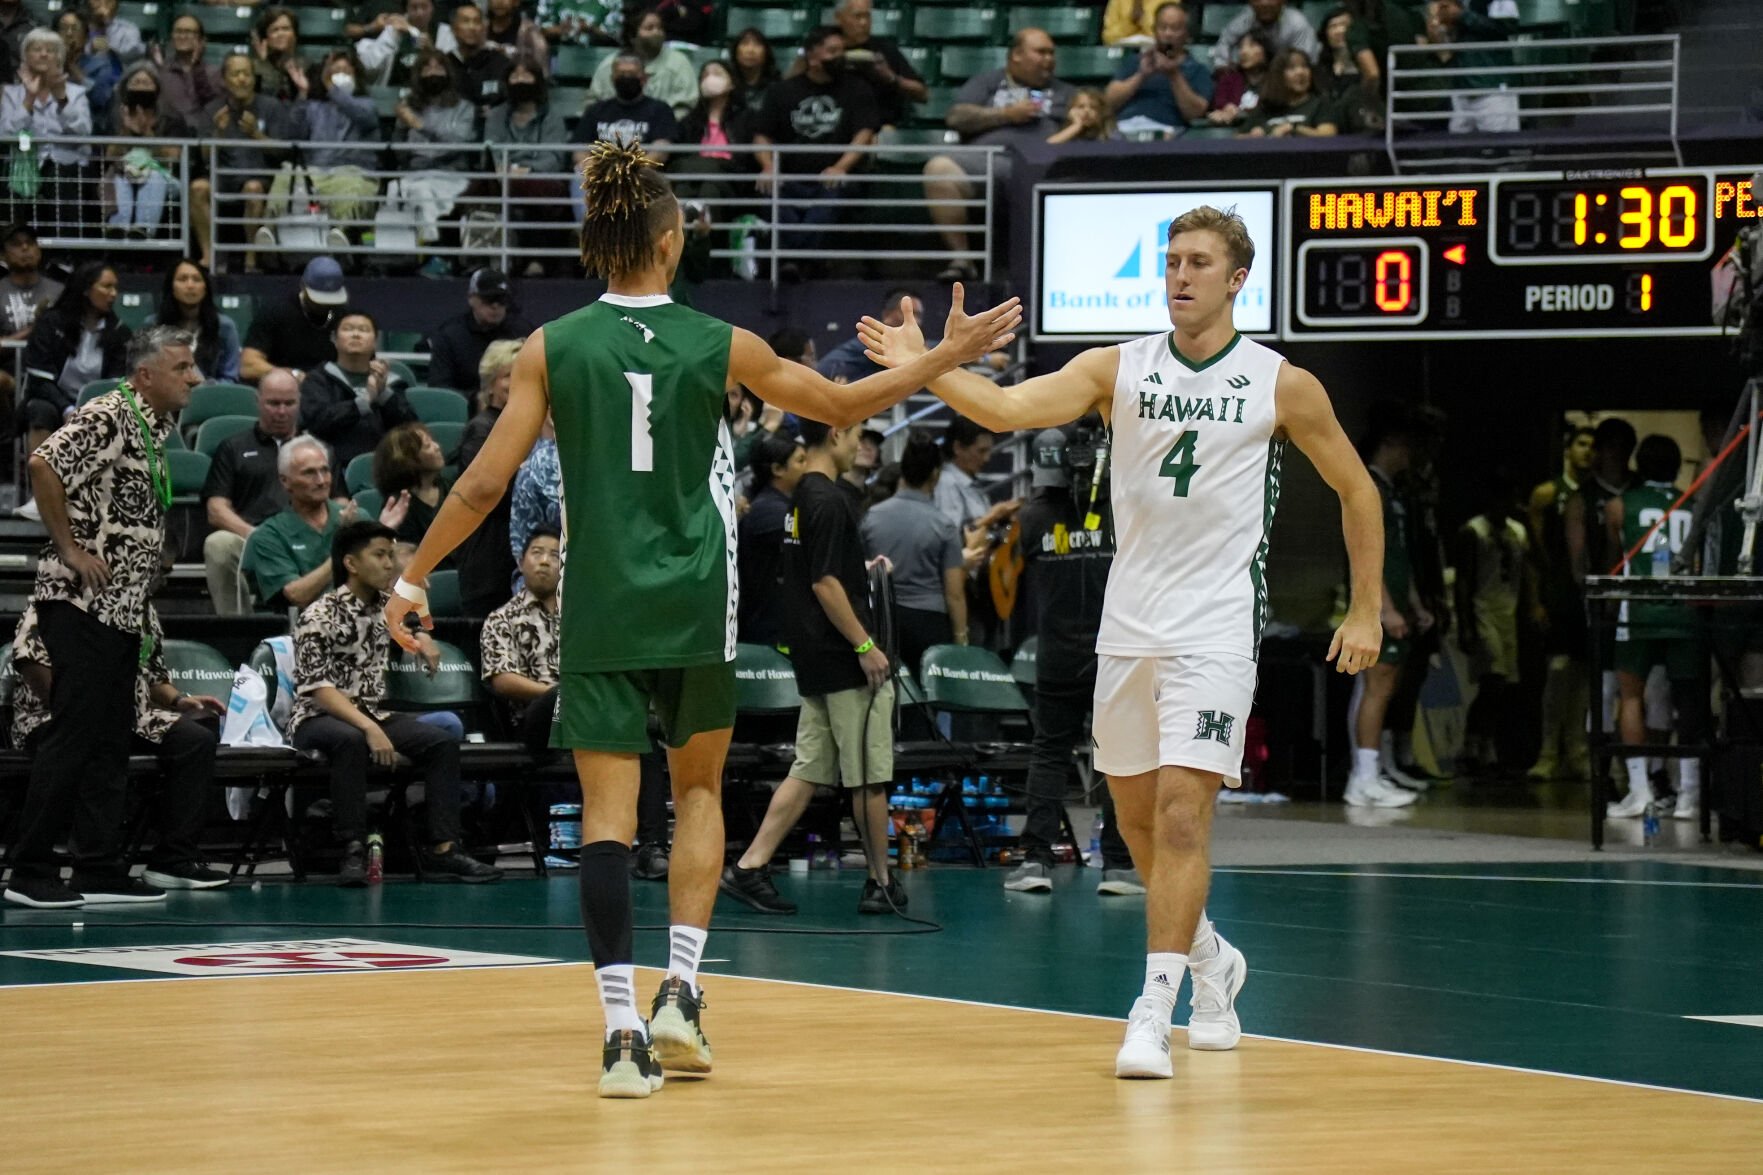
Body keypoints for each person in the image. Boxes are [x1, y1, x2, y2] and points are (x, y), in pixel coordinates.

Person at [382, 140, 1019, 1098]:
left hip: (601, 602)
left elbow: (482, 480)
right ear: (672, 242)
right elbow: (842, 402)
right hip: (695, 600)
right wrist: (940, 360)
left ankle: (618, 1031)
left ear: (601, 244)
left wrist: (412, 579)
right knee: (701, 795)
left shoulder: (553, 346)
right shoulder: (725, 343)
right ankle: (682, 990)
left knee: (604, 814)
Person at [856, 204, 1384, 1077]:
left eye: (1198, 263)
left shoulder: (1281, 383)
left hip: (1215, 627)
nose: (1179, 275)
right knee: (1136, 830)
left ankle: (1152, 1006)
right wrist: (935, 363)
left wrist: (1364, 609)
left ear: (1237, 278)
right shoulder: (1118, 366)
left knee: (1182, 815)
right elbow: (1006, 405)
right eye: (1171, 261)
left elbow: (1357, 492)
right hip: (1127, 625)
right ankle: (1213, 960)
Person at [1, 326, 202, 909]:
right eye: (183, 367)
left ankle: (98, 866)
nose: (195, 378)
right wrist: (68, 548)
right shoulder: (110, 413)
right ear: (145, 375)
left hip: (122, 610)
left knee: (111, 742)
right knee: (73, 737)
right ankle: (30, 870)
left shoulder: (153, 428)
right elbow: (43, 463)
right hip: (81, 604)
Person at [722, 416, 905, 919]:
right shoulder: (828, 499)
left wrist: (858, 570)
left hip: (813, 657)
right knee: (868, 776)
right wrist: (865, 643)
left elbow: (818, 569)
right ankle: (880, 883)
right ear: (838, 434)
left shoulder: (801, 498)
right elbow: (825, 583)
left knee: (808, 770)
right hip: (845, 660)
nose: (863, 444)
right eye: (860, 432)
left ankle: (749, 866)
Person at [290, 519, 503, 885]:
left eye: (391, 555)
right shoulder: (318, 615)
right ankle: (352, 849)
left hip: (374, 711)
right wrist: (369, 727)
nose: (390, 564)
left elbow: (408, 619)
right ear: (351, 564)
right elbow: (317, 689)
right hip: (318, 717)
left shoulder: (387, 606)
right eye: (380, 555)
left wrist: (423, 637)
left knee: (441, 743)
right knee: (350, 739)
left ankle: (445, 849)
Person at [9, 599, 231, 891]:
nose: (156, 577)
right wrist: (73, 706)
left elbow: (151, 675)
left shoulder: (142, 608)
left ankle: (173, 860)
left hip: (131, 715)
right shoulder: (57, 600)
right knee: (93, 741)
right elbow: (29, 661)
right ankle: (84, 864)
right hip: (51, 715)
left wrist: (179, 700)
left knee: (195, 740)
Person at [1002, 424, 1139, 894]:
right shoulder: (1123, 514)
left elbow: (1004, 588)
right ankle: (1118, 865)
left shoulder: (1032, 518)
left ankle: (1035, 861)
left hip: (1056, 656)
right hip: (1114, 658)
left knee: (1049, 753)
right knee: (1117, 759)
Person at [1605, 435, 1706, 821]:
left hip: (1640, 610)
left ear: (1638, 464)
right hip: (1683, 611)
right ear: (1677, 465)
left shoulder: (1619, 505)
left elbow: (1614, 558)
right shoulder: (1693, 503)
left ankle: (1640, 790)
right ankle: (1688, 795)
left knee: (1631, 698)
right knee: (1688, 702)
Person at [923, 28, 1073, 280]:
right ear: (1016, 55)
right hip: (988, 163)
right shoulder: (988, 84)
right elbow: (957, 117)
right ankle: (962, 260)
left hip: (1043, 167)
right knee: (938, 169)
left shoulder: (1064, 92)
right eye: (1040, 52)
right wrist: (1006, 114)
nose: (1048, 59)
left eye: (1051, 53)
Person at [1343, 406, 1428, 807]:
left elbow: (1398, 556)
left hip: (1394, 599)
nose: (1413, 455)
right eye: (1408, 446)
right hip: (1376, 606)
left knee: (1386, 685)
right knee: (1374, 686)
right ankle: (1362, 778)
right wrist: (1384, 608)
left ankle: (1374, 771)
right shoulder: (1366, 488)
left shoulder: (1392, 492)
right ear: (1390, 444)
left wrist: (1413, 602)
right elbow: (1363, 552)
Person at [752, 25, 879, 270]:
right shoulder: (782, 91)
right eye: (832, 51)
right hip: (787, 178)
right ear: (812, 56)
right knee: (771, 202)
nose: (840, 57)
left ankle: (793, 261)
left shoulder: (857, 89)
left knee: (827, 207)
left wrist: (841, 167)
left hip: (833, 179)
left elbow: (864, 133)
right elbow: (761, 135)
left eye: (842, 51)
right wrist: (768, 166)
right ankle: (802, 262)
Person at [243, 433, 409, 609]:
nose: (321, 481)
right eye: (309, 473)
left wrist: (383, 533)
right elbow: (297, 596)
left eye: (325, 470)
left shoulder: (358, 518)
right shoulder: (268, 535)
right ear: (285, 481)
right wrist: (346, 544)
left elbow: (384, 582)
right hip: (306, 629)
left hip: (365, 620)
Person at [860, 428, 965, 674]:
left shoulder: (871, 517)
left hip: (881, 621)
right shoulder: (944, 526)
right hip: (928, 625)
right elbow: (955, 594)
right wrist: (961, 639)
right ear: (935, 475)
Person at [1526, 425, 1595, 781]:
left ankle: (1578, 751)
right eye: (1581, 444)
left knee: (1584, 677)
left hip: (1586, 598)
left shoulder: (1596, 494)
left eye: (1593, 446)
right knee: (1557, 675)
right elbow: (1535, 554)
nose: (1588, 451)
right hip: (1558, 595)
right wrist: (1537, 600)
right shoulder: (1547, 493)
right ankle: (1548, 752)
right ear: (1568, 449)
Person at [203, 367, 299, 613]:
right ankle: (239, 630)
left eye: (289, 403)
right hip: (249, 536)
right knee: (219, 544)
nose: (281, 411)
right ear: (257, 401)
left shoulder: (317, 448)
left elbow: (339, 501)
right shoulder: (233, 447)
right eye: (273, 403)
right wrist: (258, 537)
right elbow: (216, 508)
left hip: (306, 537)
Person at [1453, 469, 1528, 775]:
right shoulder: (1473, 531)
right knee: (1491, 681)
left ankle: (1487, 743)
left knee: (1504, 685)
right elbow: (1463, 581)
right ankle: (1475, 743)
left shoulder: (1517, 532)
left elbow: (1528, 571)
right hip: (1483, 611)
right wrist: (1466, 624)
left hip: (1508, 612)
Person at [270, 48, 380, 251]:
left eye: (346, 71)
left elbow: (365, 119)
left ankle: (341, 235)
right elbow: (293, 135)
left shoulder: (367, 104)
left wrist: (330, 86)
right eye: (334, 71)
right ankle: (269, 231)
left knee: (352, 189)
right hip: (315, 171)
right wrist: (303, 93)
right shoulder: (314, 106)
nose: (340, 75)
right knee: (286, 175)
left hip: (352, 170)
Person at [199, 52, 295, 272]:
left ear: (254, 78)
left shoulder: (271, 107)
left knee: (253, 189)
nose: (242, 79)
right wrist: (218, 135)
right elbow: (203, 156)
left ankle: (251, 259)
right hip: (223, 177)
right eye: (235, 74)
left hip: (259, 177)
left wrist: (257, 135)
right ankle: (209, 255)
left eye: (247, 74)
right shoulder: (213, 109)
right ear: (224, 80)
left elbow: (284, 153)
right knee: (197, 188)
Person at [19, 262, 129, 454]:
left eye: (115, 288)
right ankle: (42, 481)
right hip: (54, 401)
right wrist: (67, 409)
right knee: (40, 410)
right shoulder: (51, 323)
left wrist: (92, 410)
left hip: (98, 405)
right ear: (85, 289)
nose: (113, 294)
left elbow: (115, 382)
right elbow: (40, 380)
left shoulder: (119, 332)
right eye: (106, 286)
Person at [1, 27, 97, 237]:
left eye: (51, 50)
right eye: (37, 49)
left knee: (60, 175)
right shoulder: (11, 93)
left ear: (59, 57)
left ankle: (66, 257)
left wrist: (62, 97)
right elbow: (6, 133)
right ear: (25, 56)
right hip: (24, 166)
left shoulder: (76, 92)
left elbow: (84, 131)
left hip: (68, 168)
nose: (44, 54)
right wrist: (28, 99)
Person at [396, 46, 483, 275]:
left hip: (452, 173)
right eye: (427, 67)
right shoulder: (408, 108)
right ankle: (437, 254)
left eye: (438, 67)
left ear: (448, 73)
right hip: (415, 174)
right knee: (417, 190)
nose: (433, 72)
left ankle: (435, 254)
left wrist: (421, 127)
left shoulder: (464, 107)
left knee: (433, 196)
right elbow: (398, 149)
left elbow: (460, 143)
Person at [483, 56, 573, 275]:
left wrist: (527, 171)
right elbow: (493, 150)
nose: (520, 80)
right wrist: (508, 171)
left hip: (540, 178)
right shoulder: (496, 115)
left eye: (526, 75)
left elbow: (555, 157)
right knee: (476, 190)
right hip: (503, 177)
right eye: (515, 75)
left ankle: (537, 261)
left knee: (539, 192)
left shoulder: (552, 117)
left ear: (538, 81)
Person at [298, 308, 417, 472]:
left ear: (375, 341)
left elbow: (410, 429)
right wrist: (364, 401)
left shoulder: (392, 382)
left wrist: (383, 394)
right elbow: (318, 421)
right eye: (348, 329)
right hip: (330, 466)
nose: (356, 334)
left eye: (364, 330)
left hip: (385, 466)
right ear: (334, 338)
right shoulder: (318, 379)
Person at [454, 338, 522, 617]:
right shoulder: (481, 430)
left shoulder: (535, 428)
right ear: (491, 383)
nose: (518, 382)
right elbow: (489, 490)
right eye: (509, 376)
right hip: (491, 563)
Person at [480, 523, 561, 748]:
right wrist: (556, 695)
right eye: (537, 553)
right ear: (521, 562)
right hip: (533, 720)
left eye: (555, 555)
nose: (544, 561)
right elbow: (503, 680)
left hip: (584, 711)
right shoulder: (501, 618)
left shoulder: (580, 617)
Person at [107, 62, 197, 241]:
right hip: (125, 176)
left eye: (146, 83)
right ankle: (117, 228)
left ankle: (143, 229)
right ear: (126, 88)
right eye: (136, 83)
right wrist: (126, 130)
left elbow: (173, 159)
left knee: (153, 175)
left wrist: (148, 132)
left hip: (167, 181)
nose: (141, 88)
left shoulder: (171, 118)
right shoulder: (116, 115)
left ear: (157, 88)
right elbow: (109, 156)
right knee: (120, 175)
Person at [736, 431, 807, 648]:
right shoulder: (768, 511)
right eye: (800, 461)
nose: (808, 467)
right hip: (764, 633)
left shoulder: (781, 506)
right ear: (777, 469)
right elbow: (813, 536)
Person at [1104, 4, 1212, 134]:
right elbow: (1108, 103)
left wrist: (1174, 75)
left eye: (1175, 28)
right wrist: (1141, 76)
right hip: (1124, 128)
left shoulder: (1197, 69)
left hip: (1166, 132)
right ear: (1154, 30)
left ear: (1186, 33)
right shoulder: (1135, 62)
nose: (1168, 33)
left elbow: (1195, 113)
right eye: (1163, 27)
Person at [423, 268, 533, 394]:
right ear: (471, 298)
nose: (495, 305)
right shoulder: (450, 336)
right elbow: (439, 388)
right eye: (488, 298)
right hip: (466, 410)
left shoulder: (523, 331)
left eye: (502, 299)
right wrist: (476, 400)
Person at [241, 258, 347, 384]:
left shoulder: (344, 317)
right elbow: (248, 366)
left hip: (329, 391)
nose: (324, 305)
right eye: (318, 300)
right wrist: (293, 376)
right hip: (282, 389)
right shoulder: (275, 311)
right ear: (303, 286)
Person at [1424, 0, 1516, 135]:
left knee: (1499, 147)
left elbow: (1506, 27)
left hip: (1492, 88)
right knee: (1459, 150)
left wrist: (1462, 15)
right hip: (1460, 89)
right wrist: (1438, 24)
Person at [585, 7, 695, 118]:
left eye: (660, 28)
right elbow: (593, 105)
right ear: (632, 36)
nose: (657, 32)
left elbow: (686, 106)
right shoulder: (610, 65)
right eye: (649, 28)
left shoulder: (678, 63)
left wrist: (660, 126)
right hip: (615, 131)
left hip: (663, 130)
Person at [144, 259, 241, 383]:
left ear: (205, 288)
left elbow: (230, 378)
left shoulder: (225, 327)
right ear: (172, 287)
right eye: (183, 279)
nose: (190, 286)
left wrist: (206, 388)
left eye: (196, 280)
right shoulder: (152, 325)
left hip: (211, 397)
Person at [833, 0, 924, 129]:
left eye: (867, 16)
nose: (864, 23)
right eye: (857, 16)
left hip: (879, 129)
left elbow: (922, 94)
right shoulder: (826, 50)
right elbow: (796, 86)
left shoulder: (884, 49)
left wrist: (891, 77)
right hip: (835, 126)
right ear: (838, 18)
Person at [373, 421, 450, 553]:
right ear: (408, 459)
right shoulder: (399, 505)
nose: (437, 447)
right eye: (428, 446)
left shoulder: (451, 487)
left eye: (433, 442)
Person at [820, 290, 921, 385]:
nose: (916, 321)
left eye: (918, 315)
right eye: (909, 313)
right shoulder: (875, 339)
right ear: (887, 314)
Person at [354, 0, 455, 88]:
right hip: (394, 90)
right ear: (406, 9)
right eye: (414, 7)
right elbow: (369, 66)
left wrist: (431, 48)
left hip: (433, 92)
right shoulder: (394, 30)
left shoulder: (445, 32)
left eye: (424, 7)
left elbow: (452, 72)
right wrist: (393, 36)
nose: (419, 13)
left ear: (432, 8)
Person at [1237, 49, 1337, 137]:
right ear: (1278, 76)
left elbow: (1327, 135)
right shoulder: (1265, 108)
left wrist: (1293, 128)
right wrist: (1255, 136)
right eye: (1292, 68)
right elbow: (1238, 139)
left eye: (1305, 66)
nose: (1300, 72)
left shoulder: (1320, 104)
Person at [1208, 0, 1320, 74]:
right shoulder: (1246, 19)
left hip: (1286, 80)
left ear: (1283, 2)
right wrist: (1223, 65)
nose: (1264, 3)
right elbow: (1225, 42)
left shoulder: (1297, 23)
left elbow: (1305, 64)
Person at [153, 13, 222, 126]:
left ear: (201, 40)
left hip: (205, 136)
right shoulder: (161, 72)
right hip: (169, 136)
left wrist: (196, 68)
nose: (182, 36)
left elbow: (213, 107)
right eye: (178, 31)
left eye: (189, 32)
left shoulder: (214, 74)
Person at [443, 2, 510, 112]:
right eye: (465, 21)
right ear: (453, 29)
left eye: (477, 22)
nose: (472, 27)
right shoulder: (444, 65)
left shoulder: (500, 63)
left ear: (484, 28)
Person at [1207, 28, 1274, 126]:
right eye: (1241, 47)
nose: (1243, 52)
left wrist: (1241, 113)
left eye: (1252, 45)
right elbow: (1219, 104)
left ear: (1266, 50)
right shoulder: (1228, 78)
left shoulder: (1277, 79)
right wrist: (1226, 107)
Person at [249, 6, 309, 104]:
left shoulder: (306, 66)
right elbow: (265, 102)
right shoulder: (254, 68)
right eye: (275, 30)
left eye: (286, 29)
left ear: (294, 34)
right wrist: (263, 65)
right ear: (265, 37)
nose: (281, 34)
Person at [728, 26, 779, 114]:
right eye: (745, 43)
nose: (750, 50)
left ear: (766, 52)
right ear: (735, 51)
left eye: (757, 44)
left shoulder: (777, 88)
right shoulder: (726, 86)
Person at [1047, 87, 1120, 144]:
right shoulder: (1066, 132)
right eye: (1081, 107)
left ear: (1101, 112)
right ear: (1071, 111)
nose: (1086, 111)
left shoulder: (1110, 133)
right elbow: (1048, 146)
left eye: (1093, 107)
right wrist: (1076, 126)